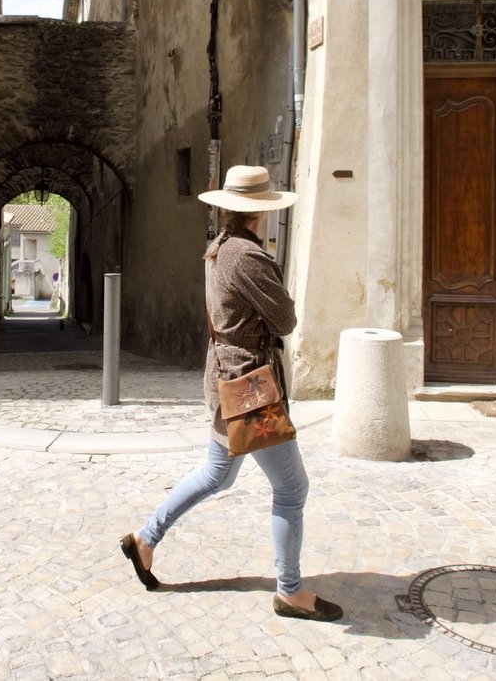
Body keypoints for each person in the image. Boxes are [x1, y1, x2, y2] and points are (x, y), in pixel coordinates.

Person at [120, 165, 342, 623]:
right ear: (261, 211)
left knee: (217, 473)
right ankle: (290, 591)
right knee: (292, 487)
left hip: (227, 376)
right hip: (249, 386)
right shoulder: (246, 257)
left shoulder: (218, 248)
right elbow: (285, 320)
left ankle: (144, 539)